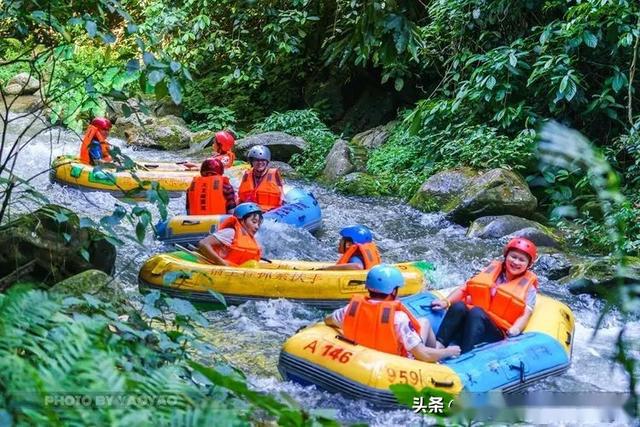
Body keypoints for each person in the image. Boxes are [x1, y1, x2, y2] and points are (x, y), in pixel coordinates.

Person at [325, 264, 461, 362]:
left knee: (423, 322)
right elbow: (422, 355)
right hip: (394, 362)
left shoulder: (350, 309)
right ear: (393, 291)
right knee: (424, 324)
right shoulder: (398, 319)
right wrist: (448, 352)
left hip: (359, 353)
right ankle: (438, 349)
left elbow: (328, 320)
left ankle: (437, 348)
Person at [431, 238, 539, 354]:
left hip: (496, 331)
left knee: (477, 312)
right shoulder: (492, 270)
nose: (516, 262)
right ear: (506, 256)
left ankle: (465, 354)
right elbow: (465, 288)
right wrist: (446, 302)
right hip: (473, 320)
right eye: (513, 257)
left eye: (521, 260)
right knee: (459, 306)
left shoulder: (529, 288)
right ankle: (438, 347)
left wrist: (516, 329)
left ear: (528, 264)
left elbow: (525, 314)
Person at [198, 202, 263, 266]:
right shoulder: (231, 233)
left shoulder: (252, 240)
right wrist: (220, 262)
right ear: (242, 221)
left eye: (259, 223)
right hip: (219, 269)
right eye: (254, 222)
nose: (257, 227)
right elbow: (203, 243)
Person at [238, 145, 284, 211]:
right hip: (250, 212)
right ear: (252, 162)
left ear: (267, 161)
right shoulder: (247, 174)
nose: (260, 163)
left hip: (270, 212)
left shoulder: (274, 174)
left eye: (262, 160)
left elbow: (282, 195)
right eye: (256, 160)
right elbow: (240, 196)